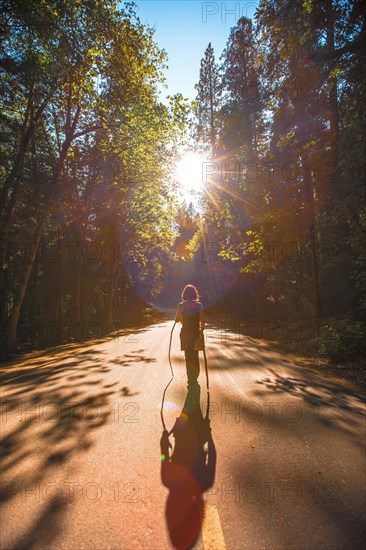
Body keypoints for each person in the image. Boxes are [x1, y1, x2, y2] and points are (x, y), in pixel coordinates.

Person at [175, 284, 205, 387]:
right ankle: (195, 377)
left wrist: (178, 319)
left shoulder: (181, 305)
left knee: (188, 356)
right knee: (195, 355)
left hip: (185, 334)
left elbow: (177, 319)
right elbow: (203, 321)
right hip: (195, 334)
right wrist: (202, 330)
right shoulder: (198, 305)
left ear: (184, 294)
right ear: (195, 294)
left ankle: (190, 379)